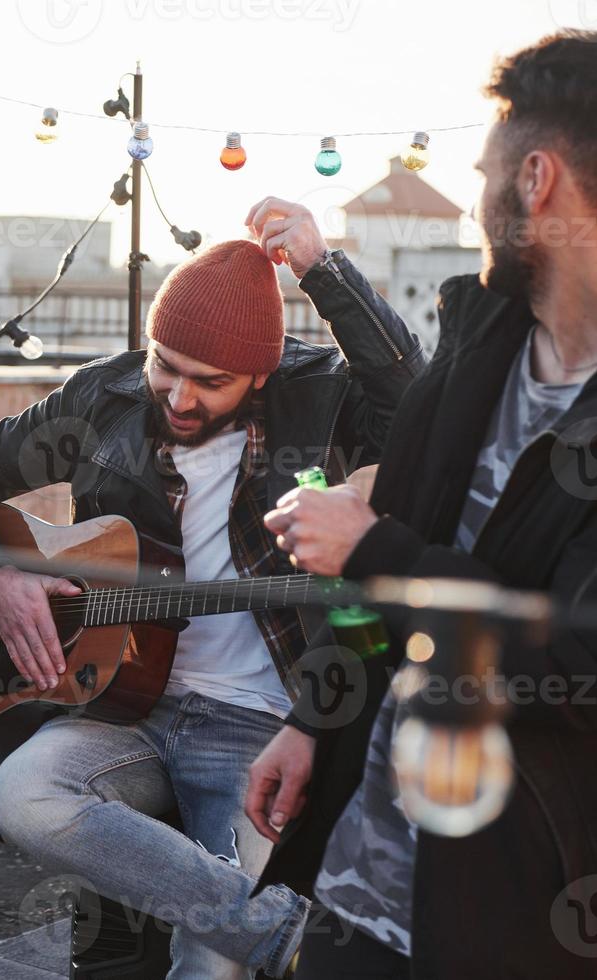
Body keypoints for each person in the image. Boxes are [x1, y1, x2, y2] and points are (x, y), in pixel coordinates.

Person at [0, 234, 426, 978]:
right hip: (128, 711)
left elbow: (416, 407)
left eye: (210, 382)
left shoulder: (317, 398)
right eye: (166, 367)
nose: (180, 397)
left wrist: (322, 268)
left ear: (260, 373)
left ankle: (248, 926)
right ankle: (281, 933)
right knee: (22, 793)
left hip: (263, 722)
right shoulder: (103, 395)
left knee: (210, 963)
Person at [249, 29, 597, 979]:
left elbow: (573, 657)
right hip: (361, 877)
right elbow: (396, 539)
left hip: (517, 912)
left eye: (486, 169)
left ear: (535, 179)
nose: (477, 194)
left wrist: (374, 549)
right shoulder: (481, 328)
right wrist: (312, 720)